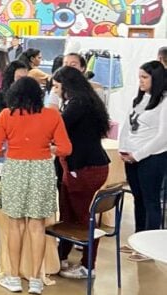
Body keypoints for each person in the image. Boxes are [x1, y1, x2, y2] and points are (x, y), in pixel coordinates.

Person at [0, 77, 72, 295]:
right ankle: (36, 279)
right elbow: (65, 148)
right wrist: (49, 149)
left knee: (15, 225)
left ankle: (14, 277)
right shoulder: (52, 115)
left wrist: (11, 150)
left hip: (15, 169)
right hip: (42, 170)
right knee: (37, 226)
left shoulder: (6, 115)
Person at [50, 66, 111, 279]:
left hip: (85, 168)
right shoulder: (87, 101)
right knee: (69, 213)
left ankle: (88, 266)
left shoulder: (78, 104)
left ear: (67, 86)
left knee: (84, 218)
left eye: (57, 87)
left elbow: (57, 129)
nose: (55, 91)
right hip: (85, 165)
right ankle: (62, 255)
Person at [119, 61, 167, 255]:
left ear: (156, 79)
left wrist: (138, 155)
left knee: (151, 201)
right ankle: (138, 241)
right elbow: (128, 125)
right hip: (131, 157)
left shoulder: (164, 101)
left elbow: (163, 137)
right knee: (138, 199)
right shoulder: (140, 99)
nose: (141, 81)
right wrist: (124, 150)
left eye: (145, 77)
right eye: (139, 77)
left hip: (152, 158)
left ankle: (150, 247)